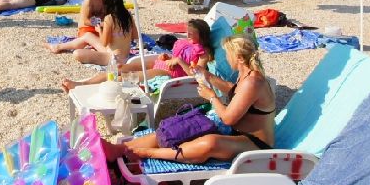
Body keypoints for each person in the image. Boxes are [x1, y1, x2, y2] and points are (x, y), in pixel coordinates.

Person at [116, 36, 275, 163]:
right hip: (238, 134)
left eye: (228, 55)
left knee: (210, 143)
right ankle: (122, 149)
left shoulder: (253, 82)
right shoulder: (247, 74)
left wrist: (211, 97)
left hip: (255, 143)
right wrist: (207, 75)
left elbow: (227, 118)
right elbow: (233, 89)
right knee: (182, 128)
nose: (226, 58)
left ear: (240, 58)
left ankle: (149, 153)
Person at [55, 0, 137, 89]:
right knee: (88, 36)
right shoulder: (128, 15)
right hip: (125, 55)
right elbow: (135, 36)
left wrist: (100, 31)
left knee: (77, 54)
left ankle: (60, 48)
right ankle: (58, 47)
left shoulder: (109, 18)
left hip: (113, 57)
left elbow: (104, 43)